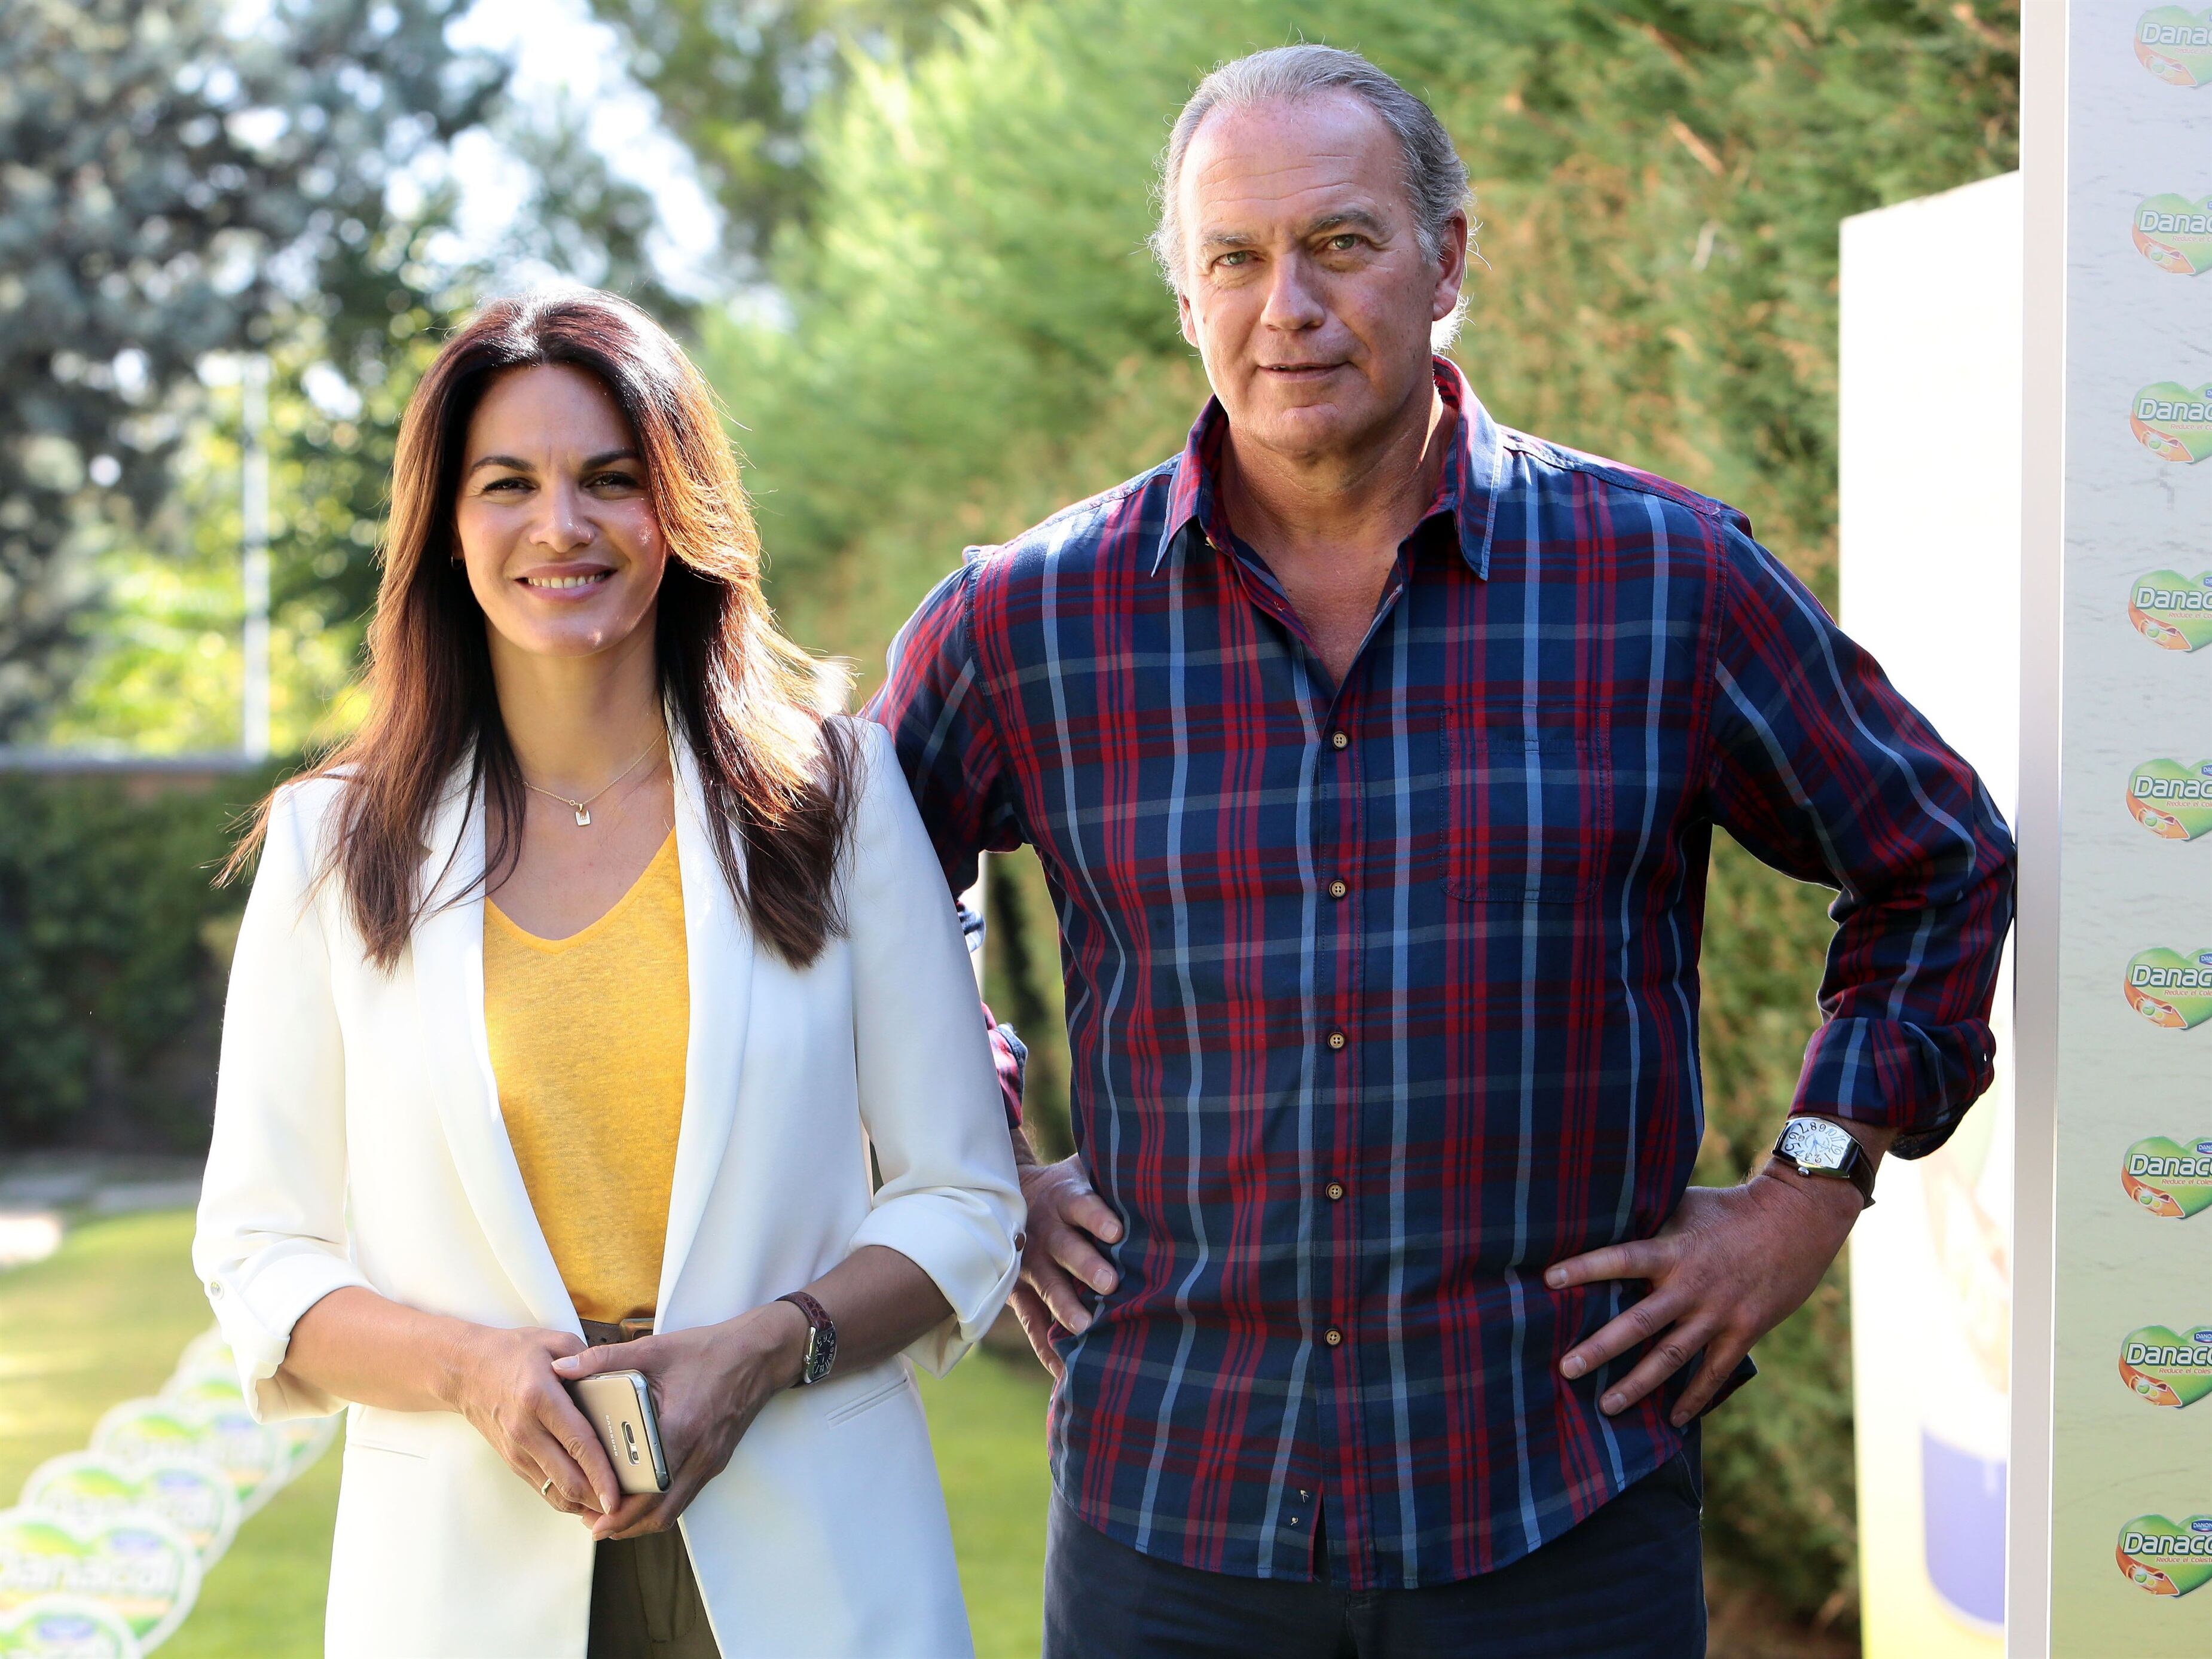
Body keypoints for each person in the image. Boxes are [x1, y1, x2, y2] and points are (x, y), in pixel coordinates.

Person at [870, 44, 2014, 1658]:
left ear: (1446, 258)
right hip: (1170, 1508)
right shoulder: (1025, 621)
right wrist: (975, 1160)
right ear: (1185, 292)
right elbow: (846, 905)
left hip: (1557, 1504)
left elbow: (1936, 859)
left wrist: (1809, 1188)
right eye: (1235, 257)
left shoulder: (1660, 581)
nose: (1289, 306)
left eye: (1339, 241)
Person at [193, 289, 1023, 1659]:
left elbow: (961, 1195)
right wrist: (468, 1369)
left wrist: (767, 1344)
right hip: (458, 1584)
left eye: (609, 480)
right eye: (507, 483)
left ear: (676, 507)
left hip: (815, 1563)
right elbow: (256, 1251)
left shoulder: (837, 795)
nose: (559, 526)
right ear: (448, 526)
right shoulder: (333, 846)